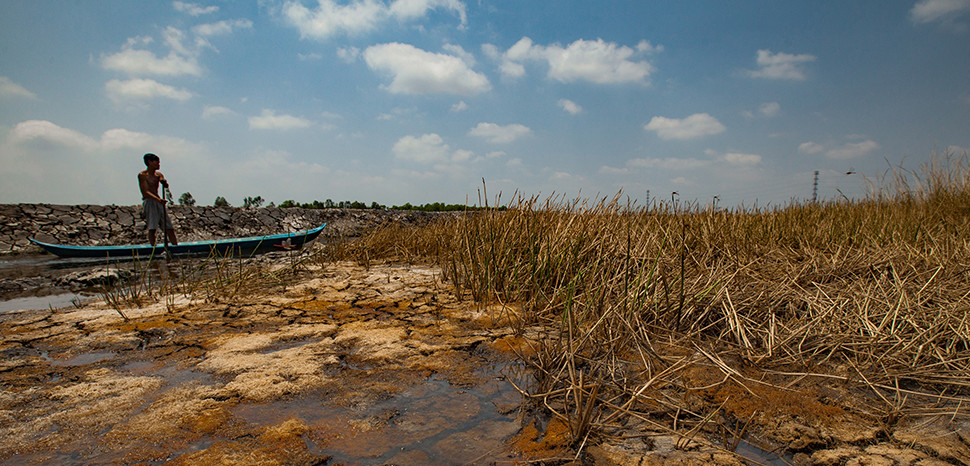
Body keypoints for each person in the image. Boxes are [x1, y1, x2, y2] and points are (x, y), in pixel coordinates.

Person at [138, 153, 178, 246]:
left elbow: (162, 179)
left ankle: (175, 247)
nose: (158, 164)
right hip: (150, 202)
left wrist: (164, 182)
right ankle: (153, 248)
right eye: (157, 162)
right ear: (150, 162)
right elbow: (145, 192)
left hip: (159, 202)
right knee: (152, 228)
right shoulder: (142, 175)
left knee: (169, 227)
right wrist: (158, 200)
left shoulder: (158, 174)